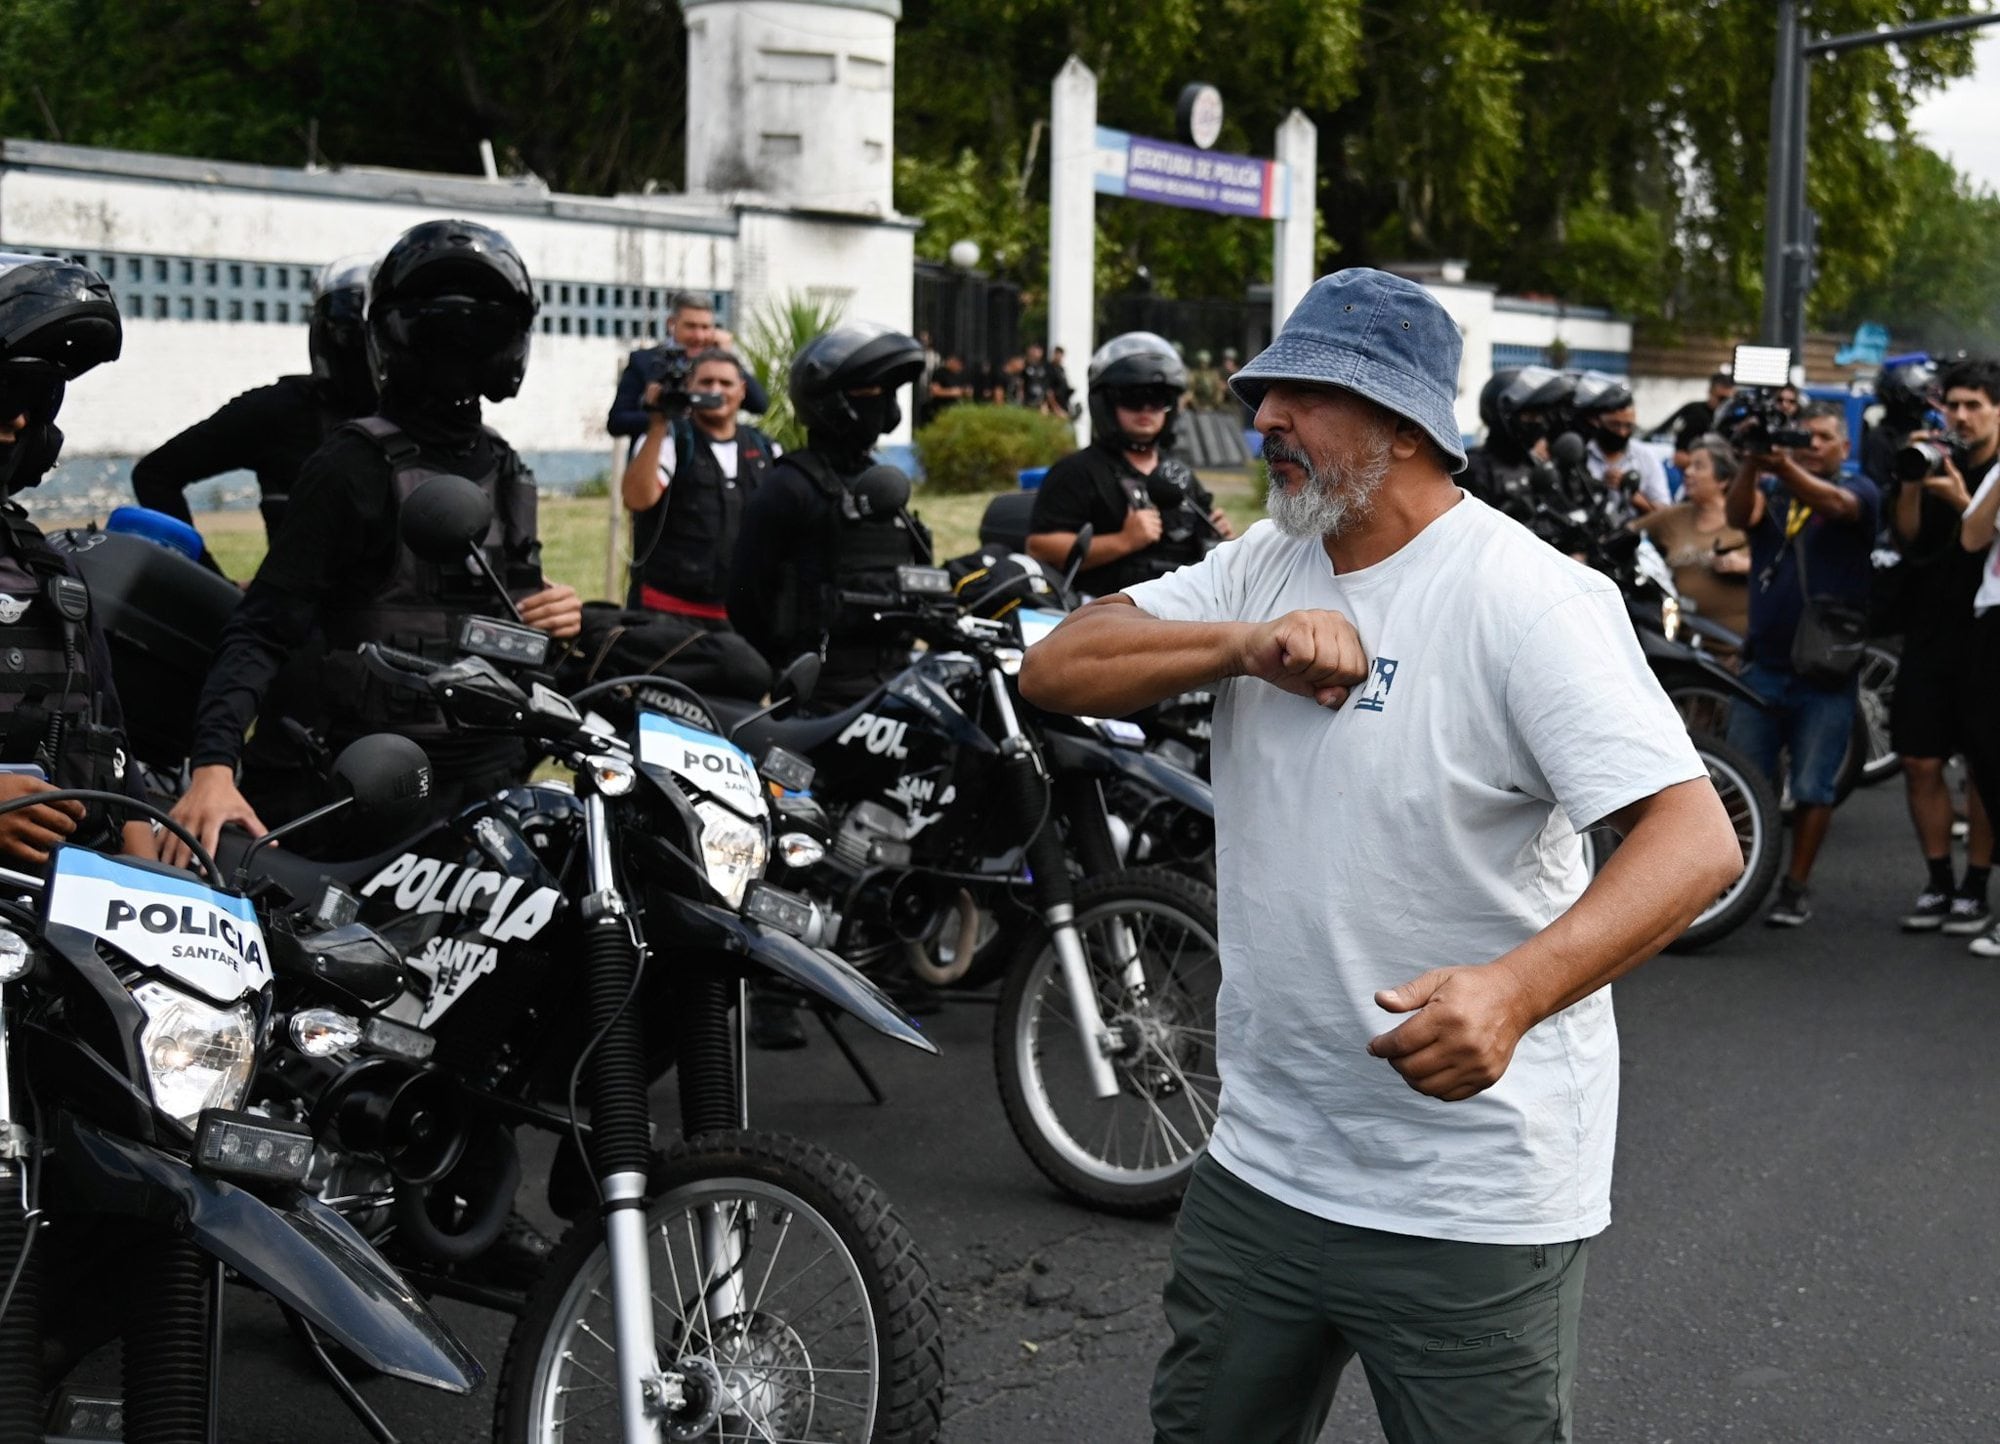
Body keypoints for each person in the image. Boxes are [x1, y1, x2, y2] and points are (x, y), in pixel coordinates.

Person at [1017, 268, 1741, 1444]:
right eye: (1263, 394)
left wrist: (1512, 992)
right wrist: (1243, 645)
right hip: (1260, 1169)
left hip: (1467, 1199)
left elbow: (1693, 837)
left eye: (1304, 395)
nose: (1263, 418)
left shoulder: (1527, 598)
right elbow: (1055, 666)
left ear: (1405, 426)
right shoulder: (1262, 565)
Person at [166, 219, 583, 864]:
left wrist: (558, 619)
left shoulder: (507, 468)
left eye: (481, 328)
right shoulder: (353, 465)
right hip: (368, 783)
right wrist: (214, 766)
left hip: (488, 781)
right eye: (441, 330)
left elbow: (516, 624)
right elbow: (263, 627)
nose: (459, 349)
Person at [0, 254, 155, 867]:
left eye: (33, 400)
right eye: (2, 394)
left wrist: (155, 884)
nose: (16, 422)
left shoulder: (48, 575)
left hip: (62, 907)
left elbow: (111, 751)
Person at [1724, 402, 1880, 927]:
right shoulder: (1774, 491)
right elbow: (1736, 516)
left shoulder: (1861, 490)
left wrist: (1782, 465)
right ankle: (1737, 882)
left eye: (1823, 438)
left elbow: (1836, 504)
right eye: (1804, 436)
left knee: (1814, 787)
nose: (1812, 445)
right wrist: (1752, 461)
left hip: (1825, 672)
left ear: (1845, 447)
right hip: (1763, 665)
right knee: (1745, 783)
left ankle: (1795, 886)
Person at [727, 321, 931, 710]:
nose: (885, 405)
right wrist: (786, 667)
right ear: (833, 403)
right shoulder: (789, 486)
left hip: (894, 680)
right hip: (822, 692)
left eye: (889, 394)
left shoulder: (880, 482)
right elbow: (745, 596)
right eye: (872, 392)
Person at [131, 256, 377, 557]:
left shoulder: (424, 416)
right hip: (300, 588)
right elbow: (156, 475)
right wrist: (206, 577)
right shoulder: (283, 410)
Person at [1024, 332, 1234, 592]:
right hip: (1104, 606)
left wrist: (1219, 537)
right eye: (1133, 397)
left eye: (1157, 398)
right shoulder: (1078, 471)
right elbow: (1040, 547)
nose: (1146, 409)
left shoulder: (1177, 474)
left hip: (1181, 607)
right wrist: (1123, 541)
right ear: (1106, 402)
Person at [619, 347, 778, 624]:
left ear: (742, 390)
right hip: (668, 615)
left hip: (740, 616)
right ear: (689, 387)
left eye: (725, 383)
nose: (716, 390)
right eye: (706, 382)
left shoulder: (765, 449)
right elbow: (637, 499)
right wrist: (657, 424)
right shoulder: (669, 440)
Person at [1927, 361, 2000, 954]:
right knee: (1988, 763)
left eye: (1976, 404)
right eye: (1956, 405)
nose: (1962, 417)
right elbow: (1974, 536)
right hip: (1990, 624)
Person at [1633, 433, 1751, 643]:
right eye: (1688, 466)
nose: (1688, 472)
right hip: (1682, 646)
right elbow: (1626, 534)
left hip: (1736, 650)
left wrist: (1744, 565)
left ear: (1723, 479)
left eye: (1698, 466)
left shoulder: (1748, 518)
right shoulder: (1672, 517)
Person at [605, 291, 767, 441]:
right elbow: (617, 422)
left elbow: (759, 405)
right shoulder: (645, 361)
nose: (699, 336)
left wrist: (728, 358)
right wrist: (667, 414)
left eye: (705, 327)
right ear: (672, 324)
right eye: (691, 326)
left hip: (708, 456)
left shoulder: (717, 366)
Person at [1461, 365, 1572, 512]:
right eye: (1530, 416)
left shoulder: (1533, 463)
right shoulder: (1476, 469)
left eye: (1541, 416)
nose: (1540, 423)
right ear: (1502, 416)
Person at [1576, 377, 1672, 518]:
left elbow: (1664, 514)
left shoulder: (1645, 457)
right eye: (1615, 425)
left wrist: (1631, 493)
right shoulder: (1580, 453)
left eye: (1628, 426)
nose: (1622, 432)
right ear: (1597, 421)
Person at [1657, 369, 1736, 454]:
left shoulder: (1734, 416)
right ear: (1710, 392)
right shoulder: (1696, 412)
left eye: (1729, 400)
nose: (1725, 404)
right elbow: (1679, 454)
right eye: (1722, 399)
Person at [924, 354, 972, 419]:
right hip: (941, 409)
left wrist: (966, 392)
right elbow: (934, 392)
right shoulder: (939, 373)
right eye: (959, 365)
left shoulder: (960, 375)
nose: (960, 368)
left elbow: (966, 390)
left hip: (956, 409)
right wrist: (953, 392)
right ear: (954, 361)